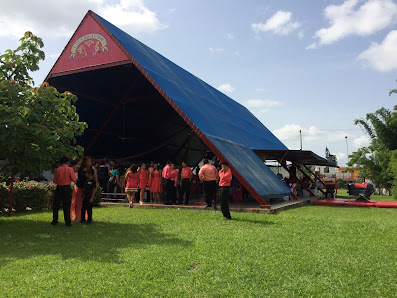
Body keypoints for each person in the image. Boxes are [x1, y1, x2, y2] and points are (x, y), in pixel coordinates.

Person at [52, 156, 80, 226]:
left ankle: (55, 220)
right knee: (67, 205)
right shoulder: (70, 169)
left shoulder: (57, 170)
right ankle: (68, 221)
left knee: (56, 205)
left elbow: (55, 181)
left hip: (59, 187)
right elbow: (74, 179)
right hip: (67, 188)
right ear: (67, 162)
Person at [71, 156, 97, 222]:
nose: (89, 163)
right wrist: (79, 162)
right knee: (78, 202)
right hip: (79, 186)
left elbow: (95, 180)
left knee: (87, 203)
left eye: (90, 161)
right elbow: (73, 169)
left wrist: (94, 188)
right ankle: (77, 217)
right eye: (88, 161)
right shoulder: (80, 168)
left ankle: (88, 217)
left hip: (88, 188)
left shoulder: (92, 169)